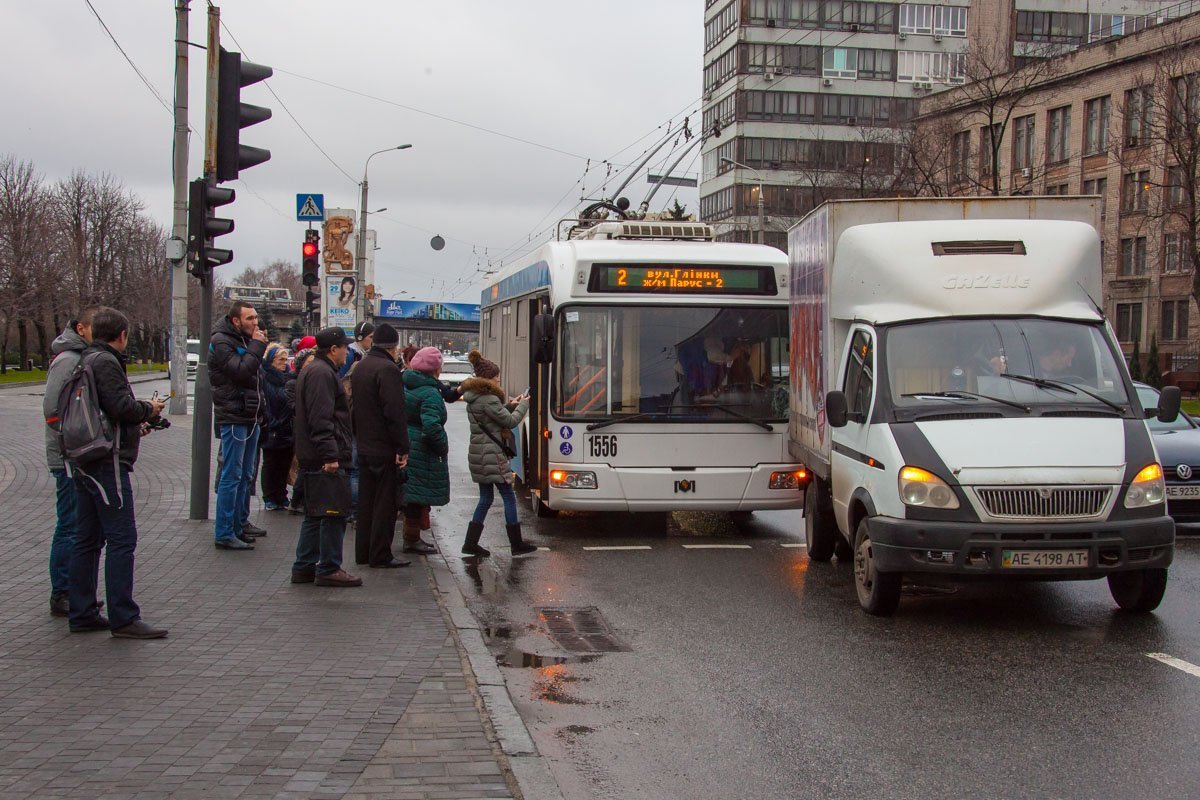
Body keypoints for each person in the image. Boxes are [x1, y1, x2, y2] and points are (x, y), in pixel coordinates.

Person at [68, 307, 168, 638]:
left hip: (86, 455)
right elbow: (121, 407)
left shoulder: (85, 358)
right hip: (107, 459)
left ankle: (81, 610)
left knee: (87, 538)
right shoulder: (107, 362)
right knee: (122, 538)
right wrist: (148, 409)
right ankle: (123, 617)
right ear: (122, 335)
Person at [292, 327, 361, 587]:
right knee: (333, 513)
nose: (347, 352)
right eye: (345, 347)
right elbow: (321, 418)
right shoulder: (322, 373)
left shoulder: (315, 370)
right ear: (334, 350)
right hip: (325, 456)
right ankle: (329, 567)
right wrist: (331, 455)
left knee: (315, 513)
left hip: (315, 453)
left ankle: (304, 566)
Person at [42, 306, 99, 616]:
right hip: (67, 456)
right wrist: (73, 439)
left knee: (79, 525)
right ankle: (62, 591)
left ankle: (74, 590)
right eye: (95, 327)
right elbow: (52, 409)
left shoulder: (83, 358)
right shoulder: (68, 360)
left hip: (77, 454)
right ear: (81, 329)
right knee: (70, 524)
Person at [461, 351, 537, 558]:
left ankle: (470, 543)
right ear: (488, 379)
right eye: (496, 377)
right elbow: (510, 422)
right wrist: (524, 405)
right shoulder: (488, 398)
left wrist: (512, 404)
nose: (498, 379)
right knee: (508, 496)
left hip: (479, 453)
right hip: (492, 454)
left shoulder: (475, 397)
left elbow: (493, 416)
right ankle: (516, 543)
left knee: (485, 498)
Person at [350, 323, 411, 568]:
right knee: (385, 504)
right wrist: (402, 447)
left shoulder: (361, 367)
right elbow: (394, 412)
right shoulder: (388, 370)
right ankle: (380, 554)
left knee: (366, 503)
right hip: (383, 448)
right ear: (393, 347)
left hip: (364, 444)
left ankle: (363, 552)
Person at [209, 301, 268, 550]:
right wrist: (256, 347)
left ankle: (238, 524)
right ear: (236, 321)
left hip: (250, 415)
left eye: (256, 318)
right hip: (235, 416)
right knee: (231, 475)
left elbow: (255, 376)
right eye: (250, 319)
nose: (255, 323)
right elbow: (241, 371)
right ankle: (224, 531)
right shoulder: (223, 341)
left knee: (245, 474)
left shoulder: (243, 340)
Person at [400, 347, 448, 555]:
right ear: (435, 370)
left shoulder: (405, 383)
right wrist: (442, 446)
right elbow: (431, 426)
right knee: (416, 496)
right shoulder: (430, 393)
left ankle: (412, 537)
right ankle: (411, 539)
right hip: (421, 448)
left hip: (407, 441)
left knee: (410, 494)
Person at [259, 344, 294, 510]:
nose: (284, 362)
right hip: (272, 427)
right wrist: (272, 422)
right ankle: (269, 496)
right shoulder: (265, 377)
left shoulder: (287, 377)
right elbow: (266, 402)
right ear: (271, 360)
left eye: (285, 359)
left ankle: (281, 494)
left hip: (287, 428)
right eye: (280, 359)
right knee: (271, 464)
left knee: (284, 464)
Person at [286, 347, 317, 515]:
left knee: (308, 466)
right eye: (309, 362)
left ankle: (303, 500)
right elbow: (293, 406)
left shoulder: (312, 380)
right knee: (305, 466)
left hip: (309, 427)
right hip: (301, 429)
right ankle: (296, 500)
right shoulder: (294, 382)